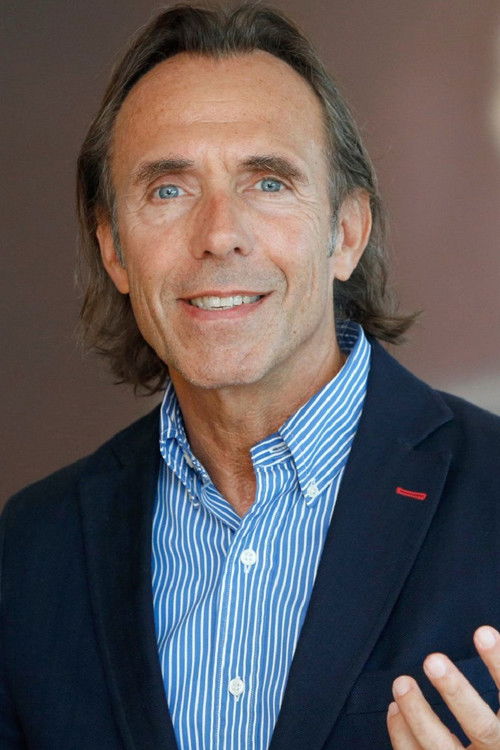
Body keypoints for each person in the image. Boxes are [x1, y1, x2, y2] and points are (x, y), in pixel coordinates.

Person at [1, 4, 499, 749]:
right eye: (169, 190)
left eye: (267, 182)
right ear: (113, 250)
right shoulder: (32, 549)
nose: (219, 234)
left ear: (347, 233)